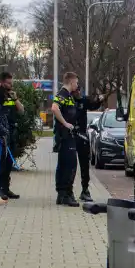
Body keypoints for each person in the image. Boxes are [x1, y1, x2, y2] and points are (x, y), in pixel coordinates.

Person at [0, 72, 24, 200]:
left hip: (9, 131)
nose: (10, 85)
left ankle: (5, 188)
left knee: (8, 162)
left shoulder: (10, 96)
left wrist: (15, 99)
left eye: (11, 83)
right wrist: (3, 130)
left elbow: (22, 110)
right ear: (1, 83)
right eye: (8, 83)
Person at [51, 72, 82, 207]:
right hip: (65, 136)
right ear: (70, 82)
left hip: (66, 136)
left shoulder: (69, 96)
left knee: (64, 165)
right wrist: (65, 123)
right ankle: (67, 194)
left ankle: (62, 195)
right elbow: (54, 107)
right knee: (70, 165)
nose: (77, 85)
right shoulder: (63, 94)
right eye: (76, 82)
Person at [72, 89, 104, 203]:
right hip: (70, 135)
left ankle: (85, 190)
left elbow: (92, 106)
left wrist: (99, 100)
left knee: (84, 164)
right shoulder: (67, 100)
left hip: (82, 135)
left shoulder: (83, 100)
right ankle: (67, 191)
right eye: (76, 90)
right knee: (70, 164)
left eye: (79, 90)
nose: (78, 93)